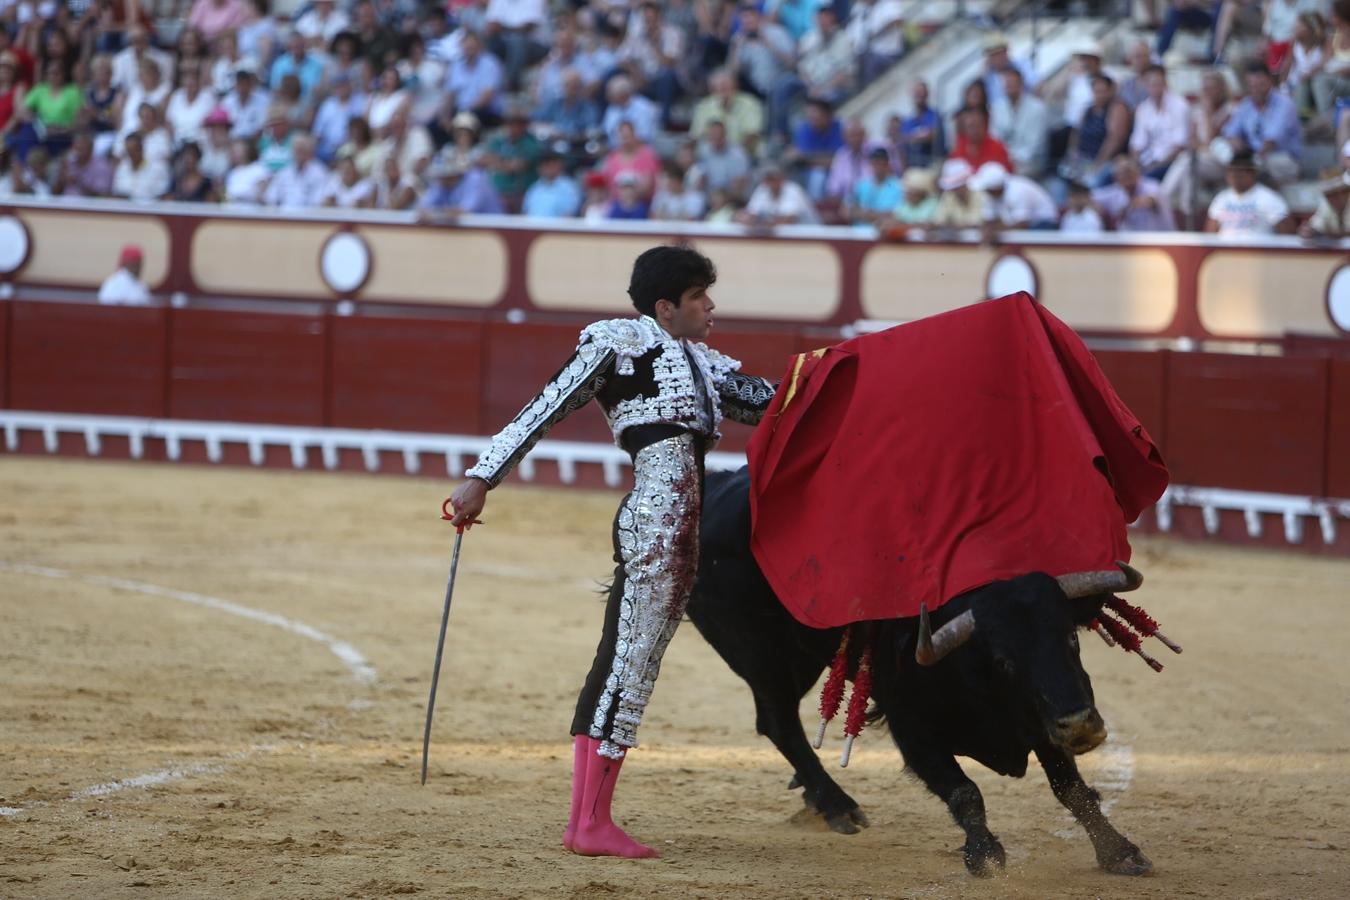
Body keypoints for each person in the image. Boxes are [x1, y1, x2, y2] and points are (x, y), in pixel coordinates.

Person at [447, 245, 776, 859]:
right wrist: (481, 477)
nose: (711, 306)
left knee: (630, 662)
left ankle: (587, 821)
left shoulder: (704, 365)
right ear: (665, 306)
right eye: (700, 296)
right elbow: (545, 406)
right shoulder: (619, 342)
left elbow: (779, 402)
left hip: (681, 530)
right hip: (656, 524)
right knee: (629, 665)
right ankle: (590, 824)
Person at [1220, 62, 1302, 185]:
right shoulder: (1246, 104)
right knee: (1218, 146)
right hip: (1251, 157)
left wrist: (1250, 160)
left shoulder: (1284, 104)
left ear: (1270, 82)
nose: (1256, 89)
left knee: (1255, 166)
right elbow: (1231, 132)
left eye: (1260, 84)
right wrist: (1238, 148)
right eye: (1252, 86)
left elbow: (1270, 142)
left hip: (1283, 159)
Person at [1204, 150, 1294, 235]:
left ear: (1253, 174)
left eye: (1240, 174)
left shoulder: (1269, 198)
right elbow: (1210, 233)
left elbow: (1288, 234)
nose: (1235, 178)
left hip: (1258, 249)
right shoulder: (1221, 199)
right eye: (1232, 173)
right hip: (1225, 250)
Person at [1128, 64, 1188, 180]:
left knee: (1143, 179)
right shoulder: (1143, 109)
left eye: (1158, 83)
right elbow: (1137, 144)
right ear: (1145, 85)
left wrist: (1156, 166)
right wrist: (1136, 165)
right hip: (1146, 161)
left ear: (1165, 83)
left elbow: (1180, 145)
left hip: (1171, 162)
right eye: (1151, 84)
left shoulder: (1180, 106)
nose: (1155, 87)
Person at [989, 67, 1049, 175]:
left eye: (1012, 83)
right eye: (1007, 84)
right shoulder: (996, 108)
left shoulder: (1037, 108)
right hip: (1003, 161)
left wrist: (1011, 159)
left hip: (1030, 163)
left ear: (1021, 84)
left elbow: (1034, 146)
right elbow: (995, 138)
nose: (1009, 87)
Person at [1092, 155, 1175, 232]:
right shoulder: (1116, 191)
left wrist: (1125, 208)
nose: (1126, 176)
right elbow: (1090, 197)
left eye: (1128, 171)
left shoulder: (1152, 186)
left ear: (1137, 172)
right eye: (1122, 173)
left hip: (1160, 242)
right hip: (1128, 243)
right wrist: (1098, 208)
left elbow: (1150, 200)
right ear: (1115, 177)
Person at [969, 161, 1059, 231]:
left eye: (988, 190)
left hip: (1044, 223)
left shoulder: (1018, 191)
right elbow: (989, 220)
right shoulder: (991, 195)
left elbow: (1022, 224)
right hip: (1021, 223)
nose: (986, 192)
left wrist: (995, 229)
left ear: (995, 189)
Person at [521, 149, 581, 217]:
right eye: (545, 165)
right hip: (533, 226)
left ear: (560, 166)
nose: (549, 168)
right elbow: (526, 211)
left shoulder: (569, 187)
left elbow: (570, 213)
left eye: (552, 165)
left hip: (557, 227)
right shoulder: (534, 188)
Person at [929, 157, 986, 229]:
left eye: (956, 188)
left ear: (965, 185)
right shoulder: (949, 195)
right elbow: (938, 220)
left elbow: (979, 221)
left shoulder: (980, 195)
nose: (954, 191)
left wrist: (953, 224)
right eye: (953, 189)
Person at [1301, 171, 1350, 237]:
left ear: (1345, 192)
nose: (1331, 199)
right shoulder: (1326, 205)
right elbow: (1316, 225)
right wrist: (1309, 230)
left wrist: (1332, 235)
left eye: (1335, 193)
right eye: (1328, 195)